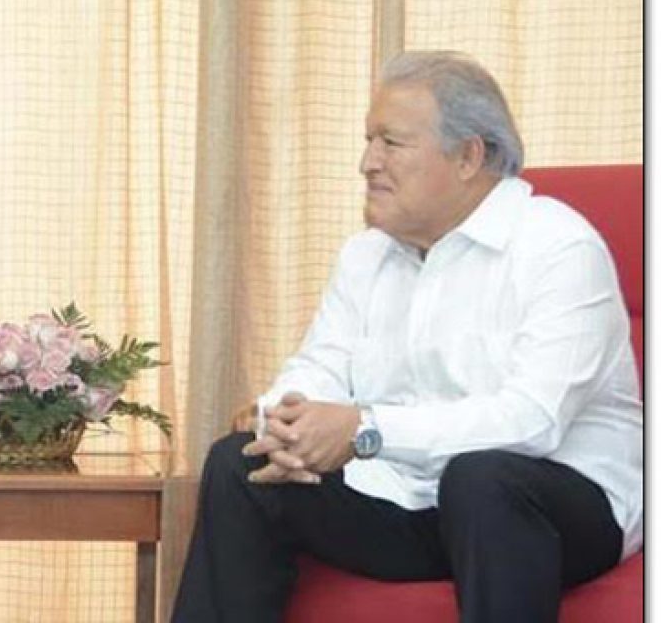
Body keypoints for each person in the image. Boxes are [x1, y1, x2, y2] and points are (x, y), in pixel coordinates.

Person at [171, 51, 642, 623]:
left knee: (481, 477)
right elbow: (322, 364)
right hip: (409, 497)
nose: (367, 163)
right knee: (240, 464)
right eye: (369, 141)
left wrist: (367, 430)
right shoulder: (366, 254)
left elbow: (533, 420)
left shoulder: (558, 247)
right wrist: (285, 419)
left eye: (390, 143)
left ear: (468, 156)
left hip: (557, 508)